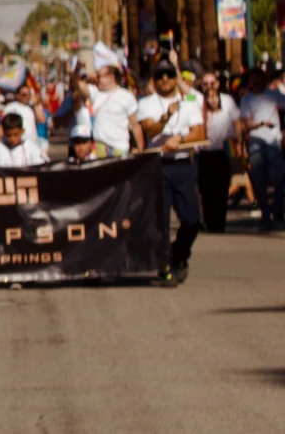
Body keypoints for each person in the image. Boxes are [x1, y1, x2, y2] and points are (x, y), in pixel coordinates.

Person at [133, 59, 205, 285]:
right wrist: (166, 117)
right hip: (158, 166)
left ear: (176, 79)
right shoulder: (147, 103)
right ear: (154, 80)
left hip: (182, 164)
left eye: (169, 75)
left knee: (192, 219)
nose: (165, 79)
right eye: (160, 76)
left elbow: (200, 132)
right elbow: (149, 128)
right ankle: (164, 266)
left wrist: (180, 139)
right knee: (160, 220)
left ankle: (179, 254)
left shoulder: (189, 101)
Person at [237, 66, 285, 231]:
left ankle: (277, 213)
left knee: (279, 180)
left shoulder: (273, 95)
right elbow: (246, 124)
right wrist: (261, 124)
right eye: (253, 78)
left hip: (273, 142)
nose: (256, 81)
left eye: (259, 78)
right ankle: (265, 214)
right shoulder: (247, 100)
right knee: (258, 181)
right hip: (256, 143)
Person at [197, 70, 236, 234]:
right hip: (204, 153)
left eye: (212, 83)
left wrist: (238, 142)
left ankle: (220, 221)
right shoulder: (198, 102)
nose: (209, 87)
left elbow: (237, 122)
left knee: (221, 188)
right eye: (205, 84)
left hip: (221, 151)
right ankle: (209, 220)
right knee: (206, 189)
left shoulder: (227, 101)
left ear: (218, 84)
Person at [88, 63, 137, 158]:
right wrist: (85, 75)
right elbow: (79, 86)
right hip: (99, 148)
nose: (97, 79)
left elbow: (135, 125)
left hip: (120, 148)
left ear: (111, 77)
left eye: (99, 76)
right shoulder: (95, 93)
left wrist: (139, 148)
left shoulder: (126, 96)